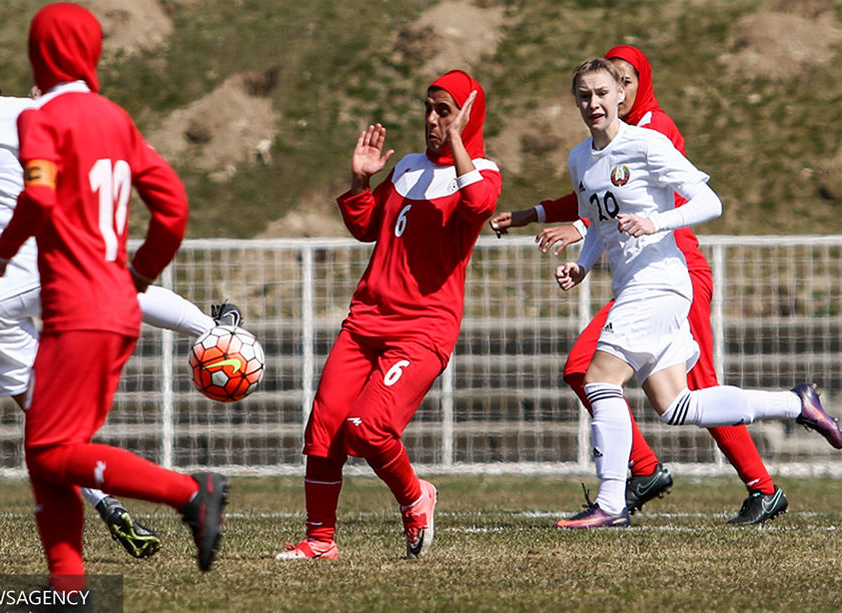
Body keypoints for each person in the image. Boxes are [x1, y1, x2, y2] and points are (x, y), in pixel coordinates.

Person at [0, 23, 238, 561]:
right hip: (40, 262)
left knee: (44, 429)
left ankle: (104, 505)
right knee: (116, 287)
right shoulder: (28, 114)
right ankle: (213, 329)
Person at [491, 45, 787, 524]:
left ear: (636, 84)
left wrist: (586, 229)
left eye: (621, 84)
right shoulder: (590, 149)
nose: (610, 96)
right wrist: (544, 218)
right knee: (670, 400)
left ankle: (747, 486)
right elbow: (595, 197)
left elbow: (650, 201)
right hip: (635, 277)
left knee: (617, 377)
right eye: (593, 91)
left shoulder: (651, 132)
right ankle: (789, 409)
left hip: (673, 270)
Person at [544, 56, 842, 528]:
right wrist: (581, 267)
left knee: (599, 378)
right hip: (634, 287)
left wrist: (654, 221)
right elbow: (599, 226)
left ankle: (610, 504)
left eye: (603, 93)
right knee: (677, 405)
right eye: (584, 95)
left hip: (660, 282)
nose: (594, 103)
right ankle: (797, 403)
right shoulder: (580, 159)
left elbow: (709, 202)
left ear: (621, 94)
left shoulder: (647, 144)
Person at [276, 70, 501, 559]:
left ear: (467, 115)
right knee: (325, 427)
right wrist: (361, 180)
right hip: (366, 322)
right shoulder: (408, 168)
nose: (432, 120)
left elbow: (478, 204)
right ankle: (320, 540)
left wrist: (459, 140)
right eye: (429, 108)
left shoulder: (482, 170)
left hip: (422, 330)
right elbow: (365, 227)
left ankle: (416, 496)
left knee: (368, 427)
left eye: (446, 111)